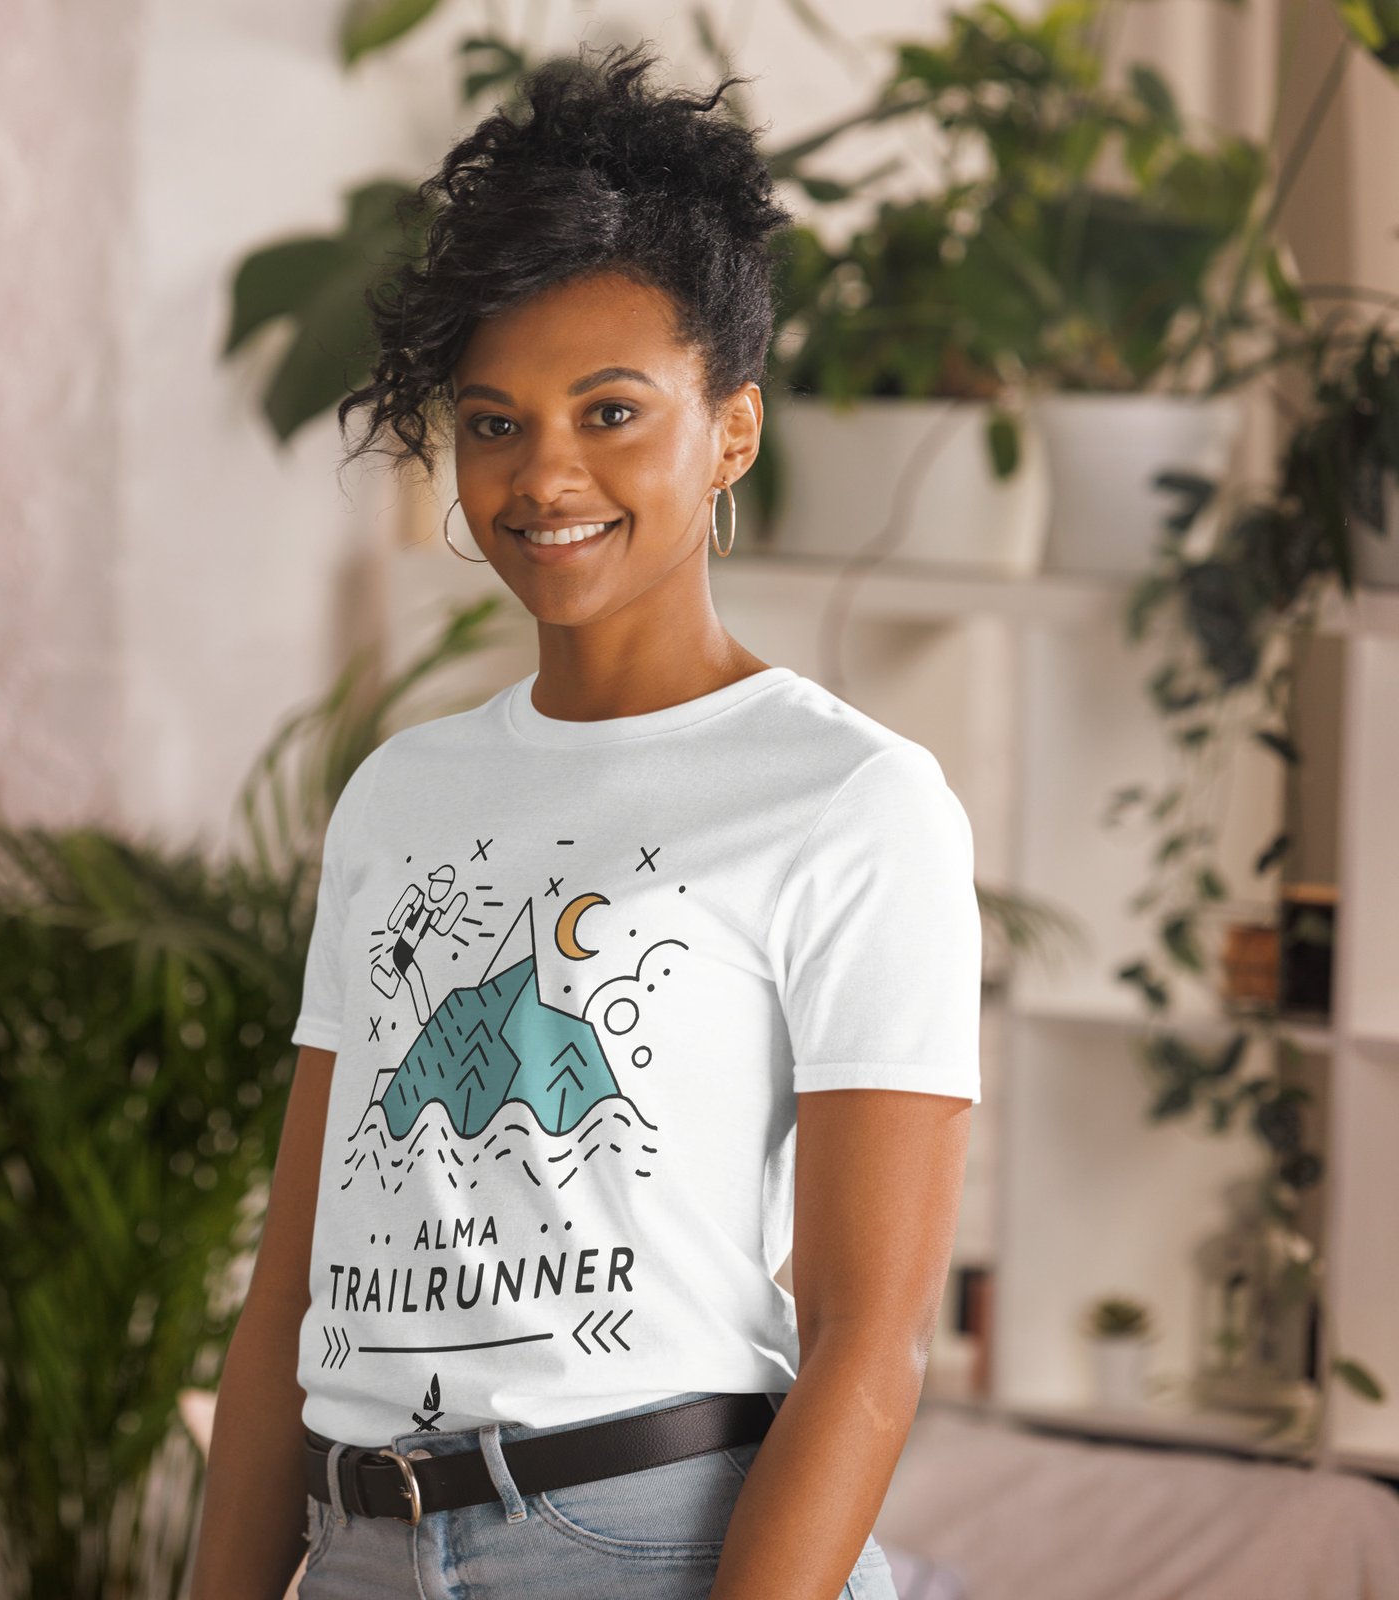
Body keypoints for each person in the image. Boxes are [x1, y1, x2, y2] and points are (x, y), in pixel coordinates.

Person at [189, 39, 980, 1600]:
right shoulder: (401, 796)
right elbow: (292, 1288)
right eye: (494, 423)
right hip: (361, 1545)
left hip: (651, 1542)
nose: (544, 474)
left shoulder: (849, 798)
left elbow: (869, 1340)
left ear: (732, 429)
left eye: (611, 411)